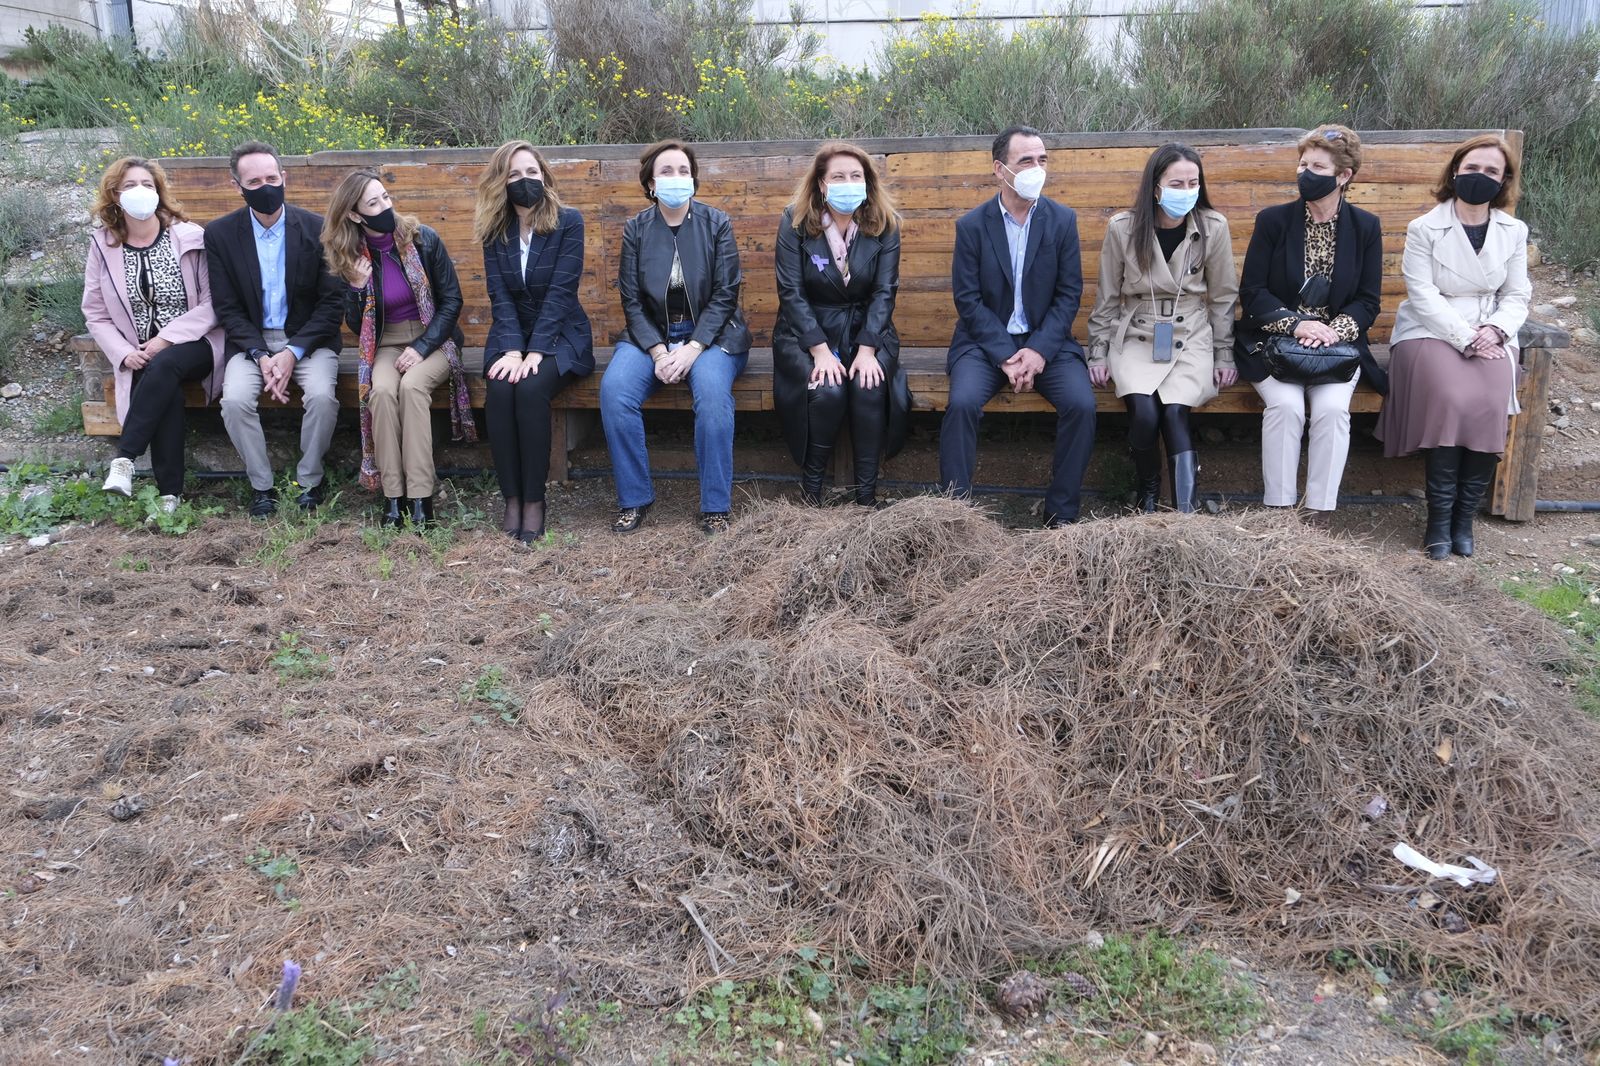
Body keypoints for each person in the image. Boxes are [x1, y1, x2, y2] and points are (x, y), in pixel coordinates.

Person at [1378, 135, 1531, 559]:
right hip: (1431, 329)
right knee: (1449, 394)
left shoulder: (1513, 231)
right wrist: (1465, 337)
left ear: (1503, 182)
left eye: (1491, 172)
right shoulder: (1424, 227)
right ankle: (1438, 521)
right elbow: (1422, 293)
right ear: (1455, 172)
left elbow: (1518, 294)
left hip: (1492, 329)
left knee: (1490, 396)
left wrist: (1496, 331)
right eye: (1472, 169)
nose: (1479, 177)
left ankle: (1463, 521)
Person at [940, 125, 1096, 527]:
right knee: (961, 404)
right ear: (1000, 169)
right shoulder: (972, 226)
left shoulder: (1062, 220)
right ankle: (956, 516)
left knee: (1081, 404)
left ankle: (1060, 515)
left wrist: (1039, 350)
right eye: (1026, 160)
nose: (1036, 168)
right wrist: (1005, 354)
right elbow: (968, 300)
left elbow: (1068, 295)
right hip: (984, 342)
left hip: (1048, 342)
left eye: (1042, 160)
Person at [599, 139, 751, 535]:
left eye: (683, 171)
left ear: (693, 178)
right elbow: (630, 299)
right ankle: (635, 497)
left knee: (714, 396)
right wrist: (658, 350)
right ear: (650, 182)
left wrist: (694, 349)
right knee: (615, 391)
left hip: (714, 336)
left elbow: (725, 294)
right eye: (667, 171)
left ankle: (715, 505)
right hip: (652, 337)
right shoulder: (636, 229)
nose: (677, 178)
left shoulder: (716, 223)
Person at [1235, 124, 1384, 516]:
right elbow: (1253, 293)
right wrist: (1296, 324)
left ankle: (1318, 512)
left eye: (1318, 166)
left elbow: (1369, 301)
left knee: (1333, 411)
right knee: (1286, 408)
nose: (1306, 173)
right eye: (1303, 164)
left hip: (1335, 347)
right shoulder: (1274, 221)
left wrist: (1334, 331)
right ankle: (1281, 512)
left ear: (1343, 176)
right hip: (1274, 342)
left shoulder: (1366, 228)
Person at [1087, 143, 1238, 512]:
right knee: (1144, 410)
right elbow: (1107, 297)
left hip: (1191, 334)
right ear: (1156, 187)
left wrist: (1224, 354)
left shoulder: (1213, 227)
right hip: (1137, 332)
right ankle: (1148, 497)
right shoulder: (1123, 229)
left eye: (1193, 182)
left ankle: (1185, 511)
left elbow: (1222, 297)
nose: (1186, 191)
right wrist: (1098, 352)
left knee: (1174, 410)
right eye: (1176, 183)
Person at [321, 169, 475, 529]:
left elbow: (452, 302)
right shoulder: (351, 256)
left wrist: (422, 346)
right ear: (355, 214)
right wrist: (359, 288)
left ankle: (421, 498)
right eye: (373, 203)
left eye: (385, 197)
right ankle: (394, 497)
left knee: (412, 386)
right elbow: (360, 329)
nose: (385, 206)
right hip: (386, 342)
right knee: (383, 392)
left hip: (434, 336)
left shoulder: (422, 239)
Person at [207, 140, 345, 518]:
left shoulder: (318, 229)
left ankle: (309, 480)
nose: (265, 187)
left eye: (271, 177)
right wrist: (261, 355)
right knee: (234, 401)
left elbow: (332, 303)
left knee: (321, 396)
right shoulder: (220, 235)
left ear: (284, 177)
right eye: (254, 182)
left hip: (308, 341)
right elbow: (227, 307)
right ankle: (262, 486)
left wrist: (291, 353)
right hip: (250, 343)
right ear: (237, 186)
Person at [83, 157, 226, 512]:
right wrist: (122, 353)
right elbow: (95, 312)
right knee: (167, 392)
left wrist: (167, 338)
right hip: (140, 352)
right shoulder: (104, 245)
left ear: (159, 192)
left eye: (147, 184)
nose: (140, 192)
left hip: (198, 343)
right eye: (129, 186)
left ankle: (125, 459)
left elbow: (213, 303)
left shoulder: (190, 237)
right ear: (115, 196)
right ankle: (169, 496)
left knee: (165, 366)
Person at [772, 140, 908, 507]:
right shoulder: (795, 221)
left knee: (868, 384)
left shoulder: (885, 224)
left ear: (866, 182)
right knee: (826, 389)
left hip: (868, 329)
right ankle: (812, 492)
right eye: (838, 176)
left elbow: (885, 292)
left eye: (855, 175)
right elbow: (790, 292)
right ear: (821, 183)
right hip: (807, 331)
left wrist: (867, 350)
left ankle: (867, 497)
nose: (848, 183)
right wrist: (819, 352)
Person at [475, 139, 594, 543]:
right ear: (500, 182)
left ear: (544, 175)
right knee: (499, 388)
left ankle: (534, 500)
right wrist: (512, 348)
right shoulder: (495, 230)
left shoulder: (568, 221)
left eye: (531, 172)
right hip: (511, 335)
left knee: (529, 388)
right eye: (514, 174)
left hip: (561, 335)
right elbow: (499, 295)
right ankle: (511, 496)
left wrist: (536, 351)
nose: (524, 180)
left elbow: (562, 292)